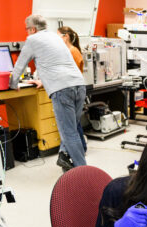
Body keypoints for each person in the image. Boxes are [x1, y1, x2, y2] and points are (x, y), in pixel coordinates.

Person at [9, 14, 86, 170]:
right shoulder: (55, 37)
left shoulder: (32, 40)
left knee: (69, 134)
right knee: (72, 128)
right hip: (79, 84)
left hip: (62, 89)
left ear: (32, 29)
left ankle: (83, 173)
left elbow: (19, 65)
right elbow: (57, 61)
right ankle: (64, 156)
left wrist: (12, 84)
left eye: (27, 29)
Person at [57, 25, 88, 155]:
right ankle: (81, 148)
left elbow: (70, 73)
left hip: (72, 88)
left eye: (58, 36)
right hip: (72, 87)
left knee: (71, 125)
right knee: (74, 122)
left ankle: (69, 152)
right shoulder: (69, 50)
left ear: (66, 37)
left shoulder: (72, 51)